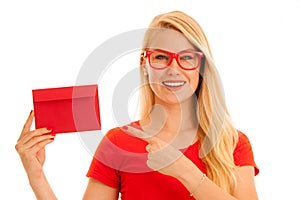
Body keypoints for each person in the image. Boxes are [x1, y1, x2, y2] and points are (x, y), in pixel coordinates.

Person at [15, 10, 259, 199]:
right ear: (145, 63)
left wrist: (184, 170)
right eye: (161, 57)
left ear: (201, 66)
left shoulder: (232, 143)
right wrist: (36, 177)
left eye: (186, 58)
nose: (173, 69)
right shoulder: (117, 143)